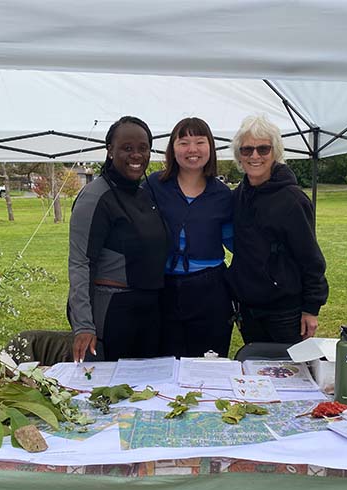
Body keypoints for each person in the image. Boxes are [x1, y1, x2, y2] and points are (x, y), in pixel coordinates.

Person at [67, 116, 170, 362]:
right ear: (110, 151)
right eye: (127, 148)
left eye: (143, 148)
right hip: (113, 313)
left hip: (148, 310)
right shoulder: (95, 196)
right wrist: (83, 326)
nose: (136, 155)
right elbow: (80, 262)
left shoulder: (144, 194)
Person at [225, 114, 328, 345]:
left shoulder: (292, 200)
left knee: (290, 374)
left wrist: (311, 308)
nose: (254, 156)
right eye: (247, 150)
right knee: (256, 372)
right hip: (248, 309)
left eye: (263, 149)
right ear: (239, 155)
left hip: (284, 311)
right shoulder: (238, 196)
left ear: (275, 153)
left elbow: (310, 257)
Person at [145, 117, 234, 358]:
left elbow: (236, 242)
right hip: (163, 287)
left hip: (210, 290)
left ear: (210, 147)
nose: (192, 150)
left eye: (199, 142)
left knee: (208, 363)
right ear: (172, 149)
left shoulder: (223, 195)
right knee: (164, 362)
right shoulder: (154, 186)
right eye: (183, 142)